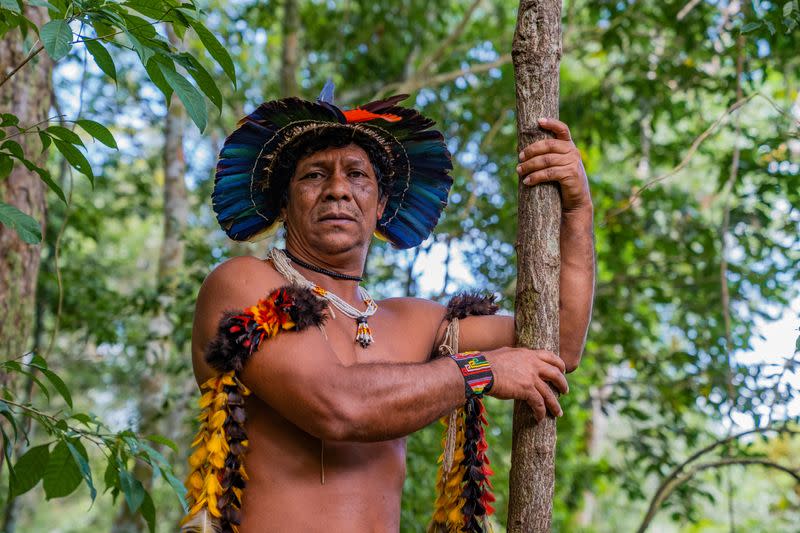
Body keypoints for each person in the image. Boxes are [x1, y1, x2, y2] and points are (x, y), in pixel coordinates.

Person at [181, 83, 594, 533]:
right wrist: (480, 371)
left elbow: (560, 344)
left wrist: (576, 210)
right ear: (284, 202)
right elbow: (336, 406)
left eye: (356, 175)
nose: (337, 189)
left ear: (380, 205)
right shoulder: (244, 283)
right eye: (314, 175)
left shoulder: (412, 322)